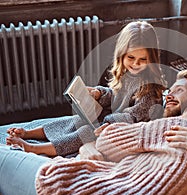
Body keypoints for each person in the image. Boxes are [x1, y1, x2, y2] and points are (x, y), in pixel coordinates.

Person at [0, 102, 187, 195]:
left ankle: (35, 148)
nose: (181, 112)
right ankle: (35, 147)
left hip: (72, 190)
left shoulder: (181, 130)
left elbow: (106, 142)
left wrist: (95, 149)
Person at [5, 21, 166, 157]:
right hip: (111, 121)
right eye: (131, 58)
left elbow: (135, 116)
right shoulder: (126, 75)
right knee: (76, 120)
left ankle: (34, 148)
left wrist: (108, 123)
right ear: (121, 55)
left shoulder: (149, 89)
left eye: (143, 59)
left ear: (151, 58)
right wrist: (99, 93)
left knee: (85, 133)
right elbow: (115, 95)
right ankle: (29, 133)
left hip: (127, 131)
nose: (136, 64)